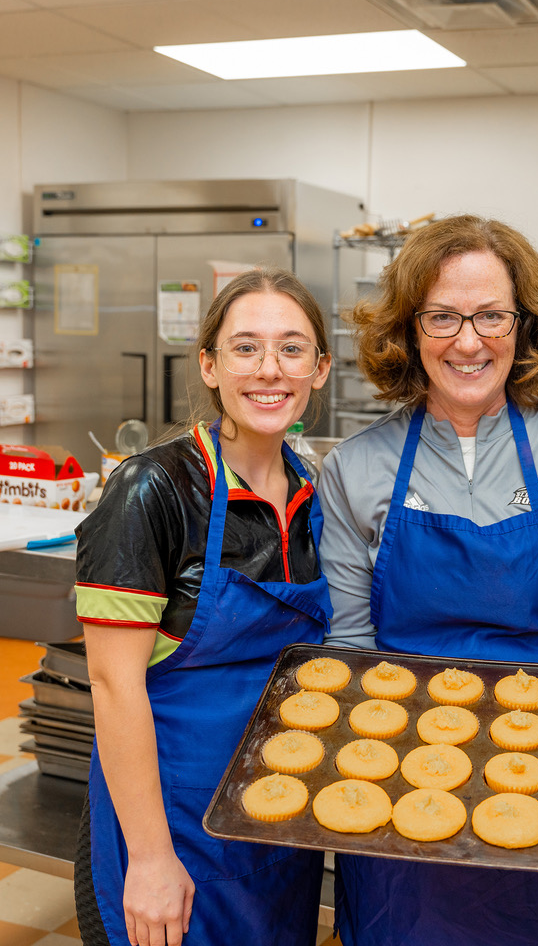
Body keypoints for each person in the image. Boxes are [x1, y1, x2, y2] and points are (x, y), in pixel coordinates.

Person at [317, 214, 538, 946]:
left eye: (491, 316)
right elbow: (348, 651)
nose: (468, 342)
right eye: (441, 317)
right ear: (407, 329)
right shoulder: (355, 468)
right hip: (399, 783)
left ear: (524, 326)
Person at [74, 267, 333, 946]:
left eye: (291, 348)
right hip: (170, 821)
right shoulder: (151, 489)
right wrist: (153, 861)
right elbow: (112, 681)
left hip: (278, 821)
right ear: (211, 366)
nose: (269, 369)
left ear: (321, 369)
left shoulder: (317, 496)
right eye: (245, 347)